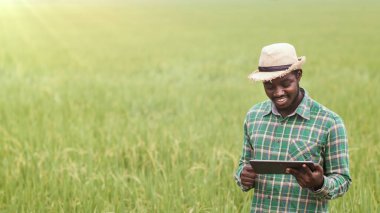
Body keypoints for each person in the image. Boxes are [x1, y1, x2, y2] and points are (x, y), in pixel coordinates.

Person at [234, 43, 351, 212]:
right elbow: (244, 164)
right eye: (269, 86)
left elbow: (343, 180)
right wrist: (242, 177)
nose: (278, 92)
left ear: (298, 75)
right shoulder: (254, 117)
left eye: (285, 83)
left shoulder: (329, 122)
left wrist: (319, 183)